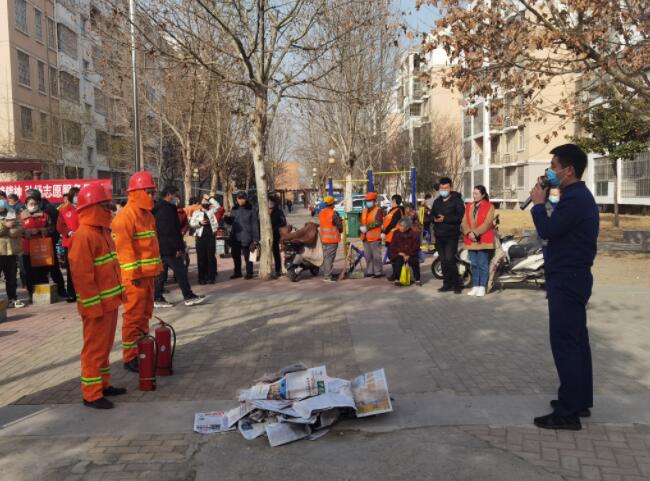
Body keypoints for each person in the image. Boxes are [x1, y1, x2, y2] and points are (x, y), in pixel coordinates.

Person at [530, 144, 599, 431]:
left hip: (567, 278)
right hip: (571, 276)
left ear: (569, 170)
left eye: (554, 165)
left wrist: (536, 204)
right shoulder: (574, 197)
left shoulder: (576, 199)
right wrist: (547, 200)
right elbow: (557, 225)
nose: (550, 171)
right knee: (576, 342)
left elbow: (547, 229)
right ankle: (577, 400)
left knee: (566, 343)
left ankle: (568, 413)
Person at [68, 184, 127, 409]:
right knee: (94, 350)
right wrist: (93, 307)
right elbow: (83, 277)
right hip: (97, 306)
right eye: (105, 206)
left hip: (109, 303)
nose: (109, 210)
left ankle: (103, 384)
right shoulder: (84, 236)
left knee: (104, 347)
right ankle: (91, 394)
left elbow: (111, 268)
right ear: (93, 207)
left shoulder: (102, 232)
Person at [111, 171, 163, 373]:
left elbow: (151, 246)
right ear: (136, 192)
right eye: (148, 192)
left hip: (147, 275)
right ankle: (130, 356)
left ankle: (142, 351)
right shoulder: (125, 217)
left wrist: (156, 269)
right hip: (134, 278)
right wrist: (133, 276)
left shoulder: (147, 215)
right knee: (133, 317)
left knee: (144, 315)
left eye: (152, 192)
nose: (151, 196)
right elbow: (124, 251)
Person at [153, 185, 205, 307]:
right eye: (175, 195)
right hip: (170, 247)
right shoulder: (169, 209)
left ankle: (157, 297)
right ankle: (188, 296)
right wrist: (179, 247)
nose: (177, 198)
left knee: (161, 273)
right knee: (180, 271)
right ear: (169, 194)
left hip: (160, 245)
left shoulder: (155, 208)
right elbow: (173, 230)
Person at [26, 190, 66, 297]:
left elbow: (54, 227)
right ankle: (42, 291)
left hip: (48, 243)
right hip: (33, 246)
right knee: (37, 270)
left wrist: (45, 232)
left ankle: (61, 290)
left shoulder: (48, 209)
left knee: (53, 268)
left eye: (29, 197)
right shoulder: (25, 212)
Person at [431, 177, 465, 294]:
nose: (443, 190)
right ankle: (446, 284)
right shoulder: (437, 201)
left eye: (445, 188)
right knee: (443, 261)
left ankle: (457, 284)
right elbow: (432, 215)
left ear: (450, 188)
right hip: (439, 235)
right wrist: (434, 219)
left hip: (451, 235)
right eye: (441, 188)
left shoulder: (457, 201)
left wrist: (446, 218)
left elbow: (460, 217)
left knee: (450, 260)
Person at [462, 185, 495, 297]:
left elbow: (488, 223)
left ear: (483, 195)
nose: (474, 195)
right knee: (474, 264)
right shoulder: (469, 206)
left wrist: (475, 233)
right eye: (473, 193)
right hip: (470, 240)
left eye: (476, 193)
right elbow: (464, 222)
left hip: (483, 239)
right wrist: (468, 233)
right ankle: (475, 286)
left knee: (482, 264)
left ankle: (482, 287)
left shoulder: (489, 206)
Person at [20, 194, 52, 302]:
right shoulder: (20, 216)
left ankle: (44, 293)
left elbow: (51, 228)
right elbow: (16, 232)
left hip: (41, 248)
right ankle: (31, 294)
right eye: (31, 204)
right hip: (27, 249)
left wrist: (42, 230)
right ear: (26, 205)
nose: (33, 206)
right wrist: (26, 232)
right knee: (29, 273)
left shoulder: (44, 215)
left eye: (35, 204)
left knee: (42, 272)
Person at [225, 191, 259, 280]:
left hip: (247, 236)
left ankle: (249, 272)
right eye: (239, 199)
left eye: (242, 199)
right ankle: (237, 272)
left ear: (246, 199)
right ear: (236, 199)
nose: (240, 201)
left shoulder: (251, 208)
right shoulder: (234, 208)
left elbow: (255, 224)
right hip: (235, 236)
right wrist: (227, 219)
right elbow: (232, 222)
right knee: (235, 255)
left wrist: (256, 239)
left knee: (248, 256)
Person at [0, 200, 25, 308]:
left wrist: (10, 230)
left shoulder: (13, 214)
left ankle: (12, 298)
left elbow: (20, 229)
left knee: (11, 277)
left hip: (11, 251)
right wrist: (5, 225)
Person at [57, 187, 80, 303]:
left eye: (79, 195)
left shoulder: (86, 208)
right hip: (69, 244)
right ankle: (71, 293)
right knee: (71, 270)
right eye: (75, 195)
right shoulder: (64, 210)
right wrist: (69, 232)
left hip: (85, 243)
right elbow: (60, 226)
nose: (77, 197)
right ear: (71, 197)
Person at [190, 196, 219, 284]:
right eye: (203, 201)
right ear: (200, 204)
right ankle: (202, 278)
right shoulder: (196, 213)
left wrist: (209, 198)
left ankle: (211, 277)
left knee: (211, 257)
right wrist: (199, 223)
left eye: (207, 202)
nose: (205, 203)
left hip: (210, 236)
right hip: (200, 237)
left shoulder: (211, 212)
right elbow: (191, 224)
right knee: (201, 258)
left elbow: (217, 206)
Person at [389, 217, 422, 287]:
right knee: (398, 261)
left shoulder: (414, 234)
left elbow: (416, 246)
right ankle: (397, 279)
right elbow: (392, 245)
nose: (400, 227)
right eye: (399, 225)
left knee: (414, 262)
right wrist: (400, 253)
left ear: (407, 227)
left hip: (411, 254)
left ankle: (417, 279)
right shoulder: (396, 233)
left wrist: (408, 255)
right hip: (400, 253)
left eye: (401, 226)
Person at [359, 192, 384, 278]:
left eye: (370, 201)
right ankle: (370, 271)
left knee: (376, 256)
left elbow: (378, 221)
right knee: (367, 255)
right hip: (365, 237)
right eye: (367, 201)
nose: (368, 202)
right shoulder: (364, 211)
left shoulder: (378, 210)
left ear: (374, 201)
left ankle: (378, 272)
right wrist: (360, 228)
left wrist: (367, 227)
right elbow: (361, 221)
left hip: (374, 237)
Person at [318, 196, 342, 283]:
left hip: (324, 239)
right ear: (332, 204)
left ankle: (327, 274)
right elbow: (340, 227)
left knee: (326, 257)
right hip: (332, 240)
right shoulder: (333, 213)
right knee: (329, 258)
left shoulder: (321, 213)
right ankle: (327, 276)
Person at [382, 194, 404, 280]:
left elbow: (393, 223)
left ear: (394, 201)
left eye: (391, 200)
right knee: (392, 257)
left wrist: (384, 232)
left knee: (396, 257)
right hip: (390, 237)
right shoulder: (392, 210)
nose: (390, 202)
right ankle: (395, 274)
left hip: (395, 237)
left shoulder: (398, 211)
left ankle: (397, 275)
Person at [268, 194, 287, 277]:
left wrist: (275, 227)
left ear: (273, 202)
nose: (269, 203)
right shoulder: (263, 209)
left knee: (276, 253)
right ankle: (268, 270)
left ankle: (278, 270)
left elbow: (283, 222)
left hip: (275, 234)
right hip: (266, 235)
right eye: (267, 201)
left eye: (270, 201)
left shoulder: (278, 210)